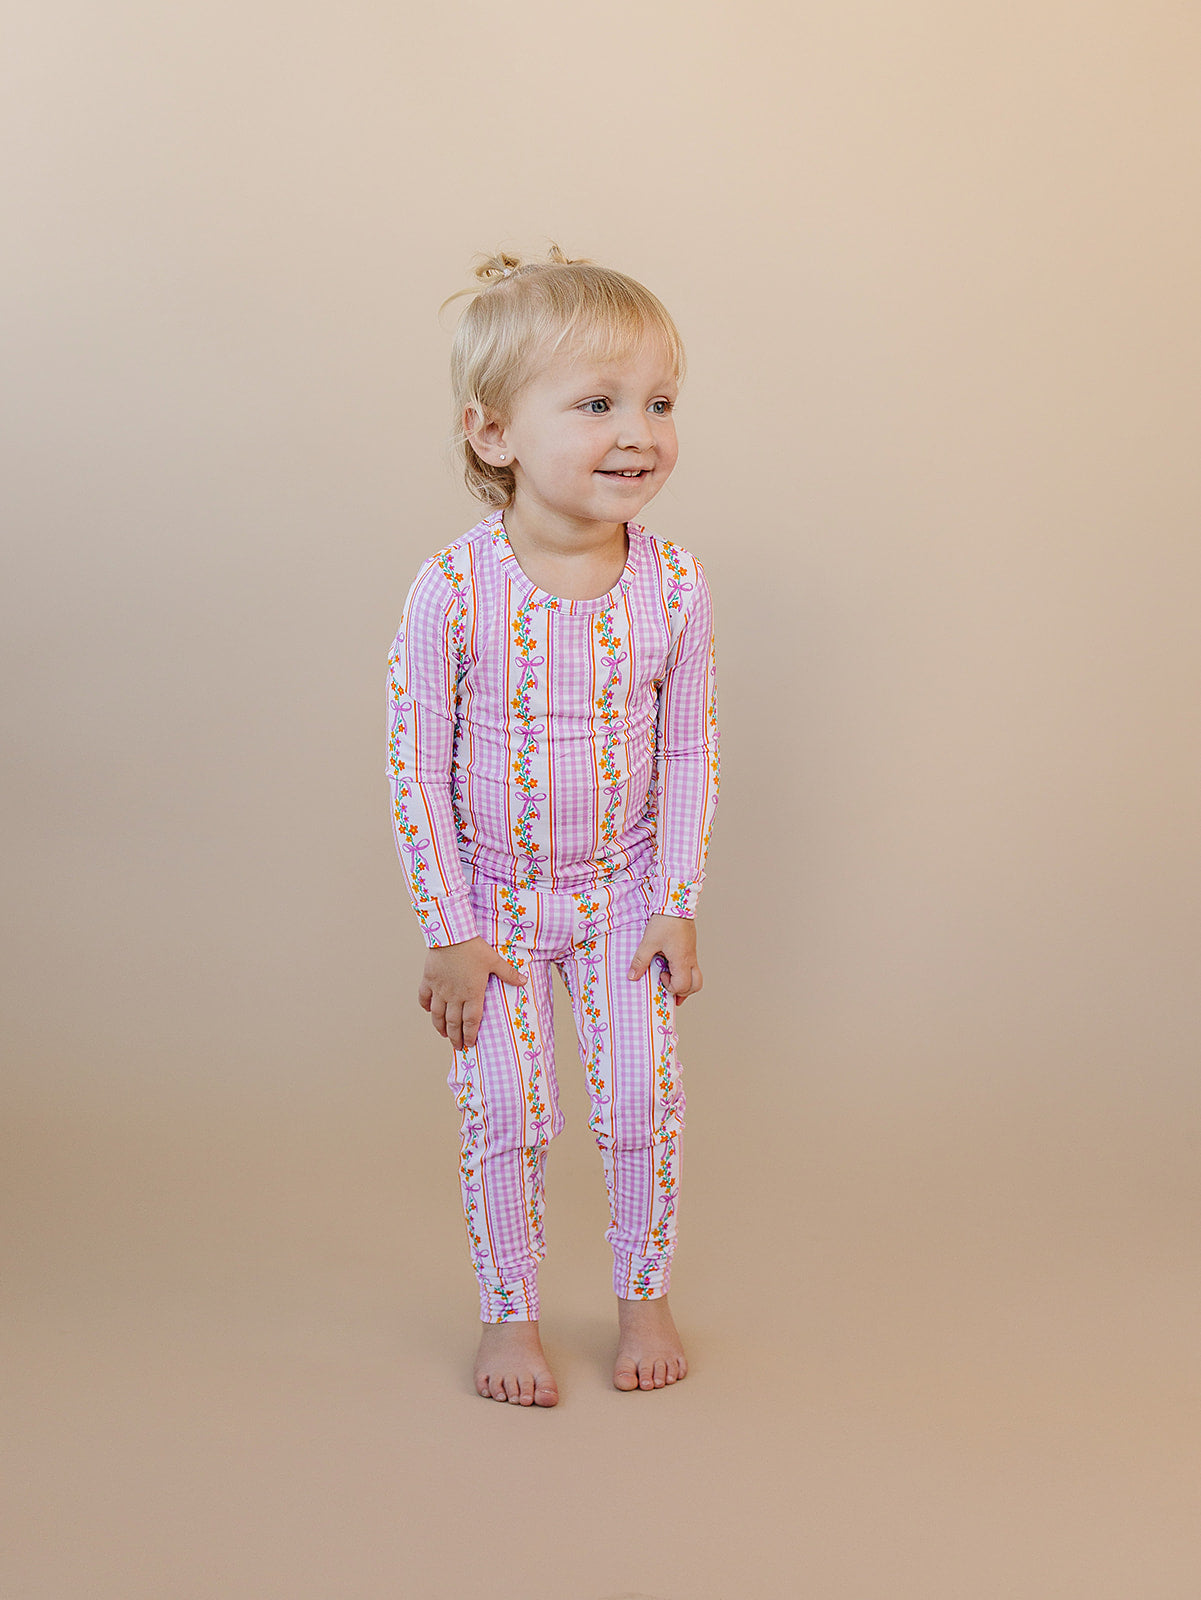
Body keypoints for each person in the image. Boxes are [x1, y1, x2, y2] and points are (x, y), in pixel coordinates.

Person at [385, 244, 720, 1407]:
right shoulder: (452, 590)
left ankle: (643, 1294)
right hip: (494, 907)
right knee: (506, 1115)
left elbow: (687, 752)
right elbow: (415, 767)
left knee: (642, 1104)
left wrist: (676, 899)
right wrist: (449, 928)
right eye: (597, 404)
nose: (639, 433)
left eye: (659, 402)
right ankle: (509, 1316)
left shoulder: (675, 586)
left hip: (622, 895)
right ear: (494, 434)